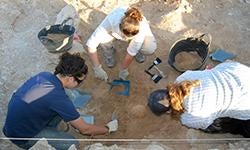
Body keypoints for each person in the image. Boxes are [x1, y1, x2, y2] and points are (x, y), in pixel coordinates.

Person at [3, 52, 118, 150]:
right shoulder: (59, 99)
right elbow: (85, 129)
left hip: (17, 123)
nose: (79, 84)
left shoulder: (45, 75)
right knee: (72, 143)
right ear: (70, 78)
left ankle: (51, 128)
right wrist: (108, 128)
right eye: (79, 81)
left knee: (65, 98)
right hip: (23, 136)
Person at [148, 61, 250, 137]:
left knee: (215, 124)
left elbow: (206, 124)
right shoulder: (182, 78)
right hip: (239, 72)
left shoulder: (189, 118)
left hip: (245, 103)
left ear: (169, 111)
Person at [86, 6, 157, 81]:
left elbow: (130, 55)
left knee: (150, 48)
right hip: (114, 30)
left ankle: (139, 51)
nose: (125, 39)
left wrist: (124, 69)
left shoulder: (141, 30)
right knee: (103, 39)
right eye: (124, 36)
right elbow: (91, 44)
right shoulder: (112, 19)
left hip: (135, 34)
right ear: (120, 27)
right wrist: (97, 68)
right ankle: (109, 53)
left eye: (127, 38)